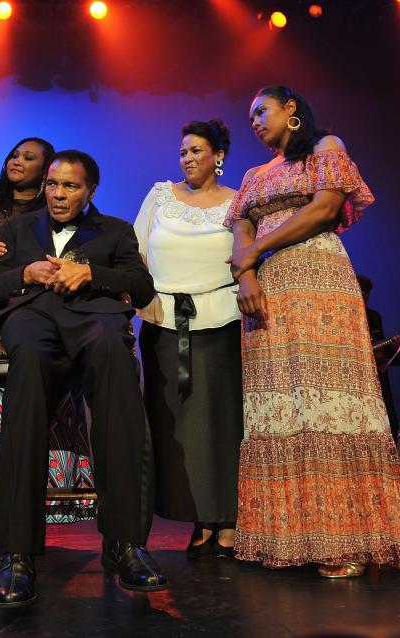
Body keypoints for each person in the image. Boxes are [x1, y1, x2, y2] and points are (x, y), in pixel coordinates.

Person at [225, 85, 400, 577]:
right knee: (280, 407)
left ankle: (346, 538)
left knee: (329, 400)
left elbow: (324, 210)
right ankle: (289, 536)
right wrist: (246, 273)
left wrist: (253, 251)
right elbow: (240, 230)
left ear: (291, 110)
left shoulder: (325, 148)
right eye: (249, 116)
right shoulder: (253, 175)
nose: (254, 120)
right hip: (267, 288)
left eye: (262, 110)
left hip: (319, 281)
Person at [0, 149, 166, 607]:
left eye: (71, 186)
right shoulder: (16, 230)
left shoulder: (115, 231)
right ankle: (17, 554)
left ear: (90, 191)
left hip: (94, 321)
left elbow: (141, 288)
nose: (59, 194)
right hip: (33, 322)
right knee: (26, 393)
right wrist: (25, 271)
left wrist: (92, 274)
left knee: (117, 377)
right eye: (54, 185)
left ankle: (125, 544)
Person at [0, 136, 98, 558]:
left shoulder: (60, 212)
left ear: (47, 172)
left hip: (47, 316)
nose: (17, 161)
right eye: (14, 154)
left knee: (49, 413)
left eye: (29, 158)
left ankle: (31, 519)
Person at [134, 120, 243, 558]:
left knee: (223, 423)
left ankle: (229, 519)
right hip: (164, 324)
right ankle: (199, 518)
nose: (187, 158)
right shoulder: (160, 196)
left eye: (197, 150)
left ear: (218, 155)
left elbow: (244, 257)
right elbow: (138, 252)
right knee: (177, 428)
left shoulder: (238, 203)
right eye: (183, 152)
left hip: (223, 321)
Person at [357, 274, 400, 438]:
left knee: (390, 422)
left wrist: (393, 346)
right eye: (361, 292)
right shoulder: (345, 315)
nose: (364, 296)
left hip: (379, 374)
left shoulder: (374, 316)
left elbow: (382, 347)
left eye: (367, 293)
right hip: (360, 375)